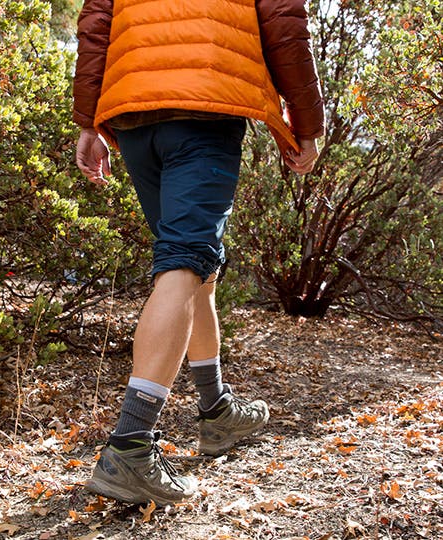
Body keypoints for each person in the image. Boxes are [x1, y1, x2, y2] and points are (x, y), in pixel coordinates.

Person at [73, 0, 325, 505]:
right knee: (185, 262)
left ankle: (215, 411)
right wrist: (306, 123)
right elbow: (284, 25)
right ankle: (131, 445)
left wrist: (87, 121)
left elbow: (96, 27)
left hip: (135, 110)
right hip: (206, 103)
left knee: (194, 267)